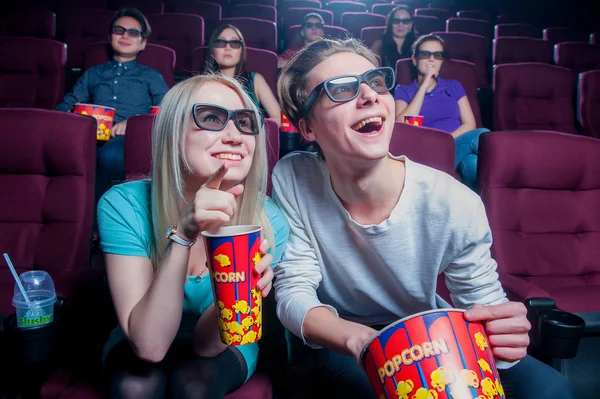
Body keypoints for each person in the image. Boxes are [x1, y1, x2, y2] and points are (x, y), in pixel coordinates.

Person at [272, 37, 575, 399]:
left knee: (550, 389)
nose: (369, 96)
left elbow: (483, 308)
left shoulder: (454, 202)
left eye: (376, 82)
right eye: (340, 89)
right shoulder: (293, 177)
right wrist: (361, 340)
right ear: (307, 129)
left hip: (430, 332)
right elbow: (293, 291)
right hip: (343, 334)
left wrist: (502, 333)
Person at [97, 73, 289, 399]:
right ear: (174, 131)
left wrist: (240, 290)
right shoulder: (122, 204)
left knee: (195, 386)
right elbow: (150, 346)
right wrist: (184, 235)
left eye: (245, 122)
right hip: (142, 335)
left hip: (219, 345)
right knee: (136, 386)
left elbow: (206, 346)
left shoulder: (268, 220)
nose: (235, 136)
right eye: (212, 118)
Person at [57, 8, 169, 203]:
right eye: (119, 30)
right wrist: (70, 116)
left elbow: (167, 109)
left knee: (111, 155)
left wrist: (133, 124)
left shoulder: (151, 76)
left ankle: (100, 224)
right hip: (90, 134)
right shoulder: (93, 74)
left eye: (133, 33)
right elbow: (69, 103)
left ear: (142, 43)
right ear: (110, 37)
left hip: (128, 138)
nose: (125, 36)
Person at [394, 34, 488, 189]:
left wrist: (446, 142)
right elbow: (401, 124)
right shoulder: (403, 90)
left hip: (455, 144)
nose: (432, 59)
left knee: (473, 164)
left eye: (437, 55)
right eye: (425, 54)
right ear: (415, 59)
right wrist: (424, 86)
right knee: (483, 134)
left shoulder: (453, 86)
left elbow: (470, 124)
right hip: (427, 151)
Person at [204, 24, 281, 126]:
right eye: (221, 42)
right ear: (212, 49)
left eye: (235, 43)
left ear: (241, 51)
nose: (228, 47)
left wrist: (251, 127)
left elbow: (277, 118)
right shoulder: (202, 84)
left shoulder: (255, 80)